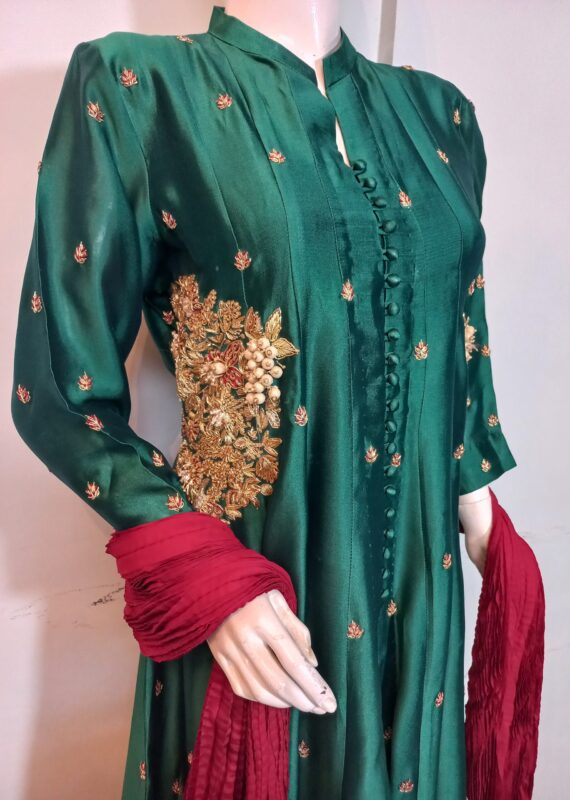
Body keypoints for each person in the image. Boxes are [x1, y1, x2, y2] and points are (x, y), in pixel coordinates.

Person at [11, 2, 522, 797]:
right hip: (257, 586)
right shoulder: (141, 87)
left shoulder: (440, 114)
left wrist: (476, 497)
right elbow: (60, 390)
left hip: (423, 584)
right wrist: (200, 573)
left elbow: (458, 337)